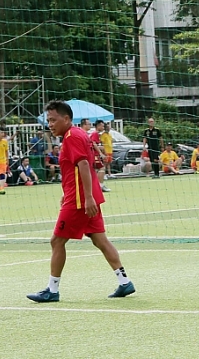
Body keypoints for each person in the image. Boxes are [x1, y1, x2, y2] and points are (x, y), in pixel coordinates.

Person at [26, 100, 134, 303]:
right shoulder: (75, 134)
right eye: (48, 120)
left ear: (66, 119)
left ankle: (52, 290)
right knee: (100, 240)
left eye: (53, 119)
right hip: (81, 196)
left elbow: (84, 164)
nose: (50, 124)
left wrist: (88, 198)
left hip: (80, 200)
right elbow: (77, 168)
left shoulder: (72, 137)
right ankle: (124, 282)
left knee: (57, 241)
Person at [89, 121, 111, 192]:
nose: (103, 127)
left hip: (95, 154)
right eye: (102, 126)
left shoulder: (97, 134)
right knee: (102, 168)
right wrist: (100, 153)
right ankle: (99, 185)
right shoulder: (95, 133)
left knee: (96, 170)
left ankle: (97, 185)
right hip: (94, 155)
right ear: (98, 126)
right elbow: (94, 143)